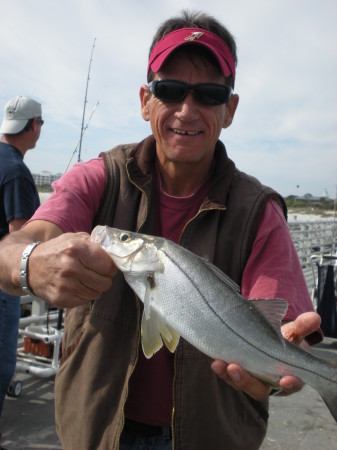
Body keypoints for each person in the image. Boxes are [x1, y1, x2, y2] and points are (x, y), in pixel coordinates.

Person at [0, 11, 322, 450]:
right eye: (169, 90)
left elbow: (284, 331)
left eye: (210, 95)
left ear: (230, 110)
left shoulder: (259, 211)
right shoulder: (98, 177)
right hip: (95, 435)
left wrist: (287, 374)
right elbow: (18, 244)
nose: (187, 110)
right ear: (145, 100)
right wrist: (30, 263)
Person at [0, 97, 42, 431]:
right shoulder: (16, 171)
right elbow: (20, 240)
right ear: (32, 126)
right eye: (39, 122)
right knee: (2, 361)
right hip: (2, 284)